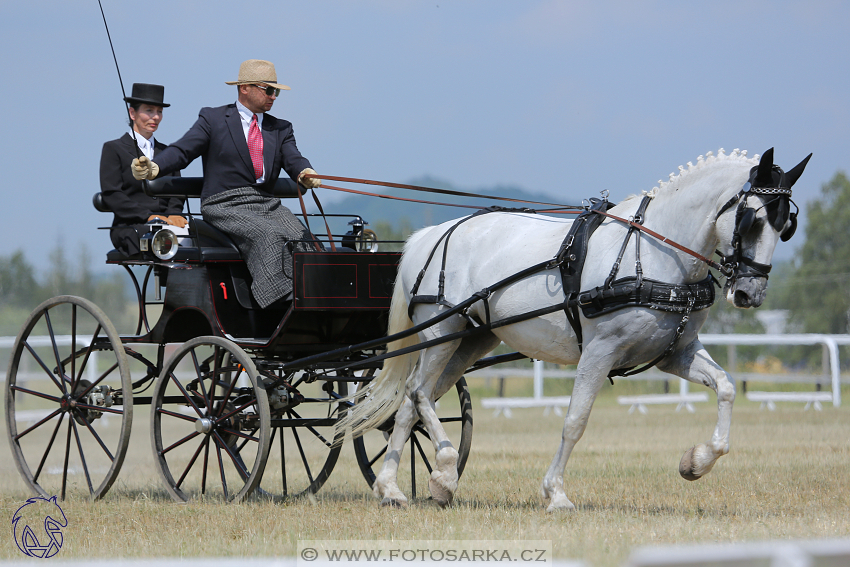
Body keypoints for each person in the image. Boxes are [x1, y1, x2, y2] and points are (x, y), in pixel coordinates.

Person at [131, 59, 322, 308]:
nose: (273, 97)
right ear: (245, 88)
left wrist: (304, 171)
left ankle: (314, 294)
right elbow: (183, 149)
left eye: (276, 92)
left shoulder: (281, 128)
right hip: (224, 204)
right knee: (268, 235)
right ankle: (280, 303)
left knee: (302, 237)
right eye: (268, 90)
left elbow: (293, 157)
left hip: (267, 205)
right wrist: (155, 167)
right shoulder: (214, 119)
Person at [99, 83, 186, 257]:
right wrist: (148, 216)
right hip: (130, 226)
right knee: (165, 242)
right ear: (132, 113)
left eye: (159, 112)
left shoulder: (168, 153)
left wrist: (174, 214)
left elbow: (177, 191)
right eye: (149, 111)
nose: (155, 117)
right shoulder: (114, 149)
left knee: (197, 239)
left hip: (168, 225)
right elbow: (112, 193)